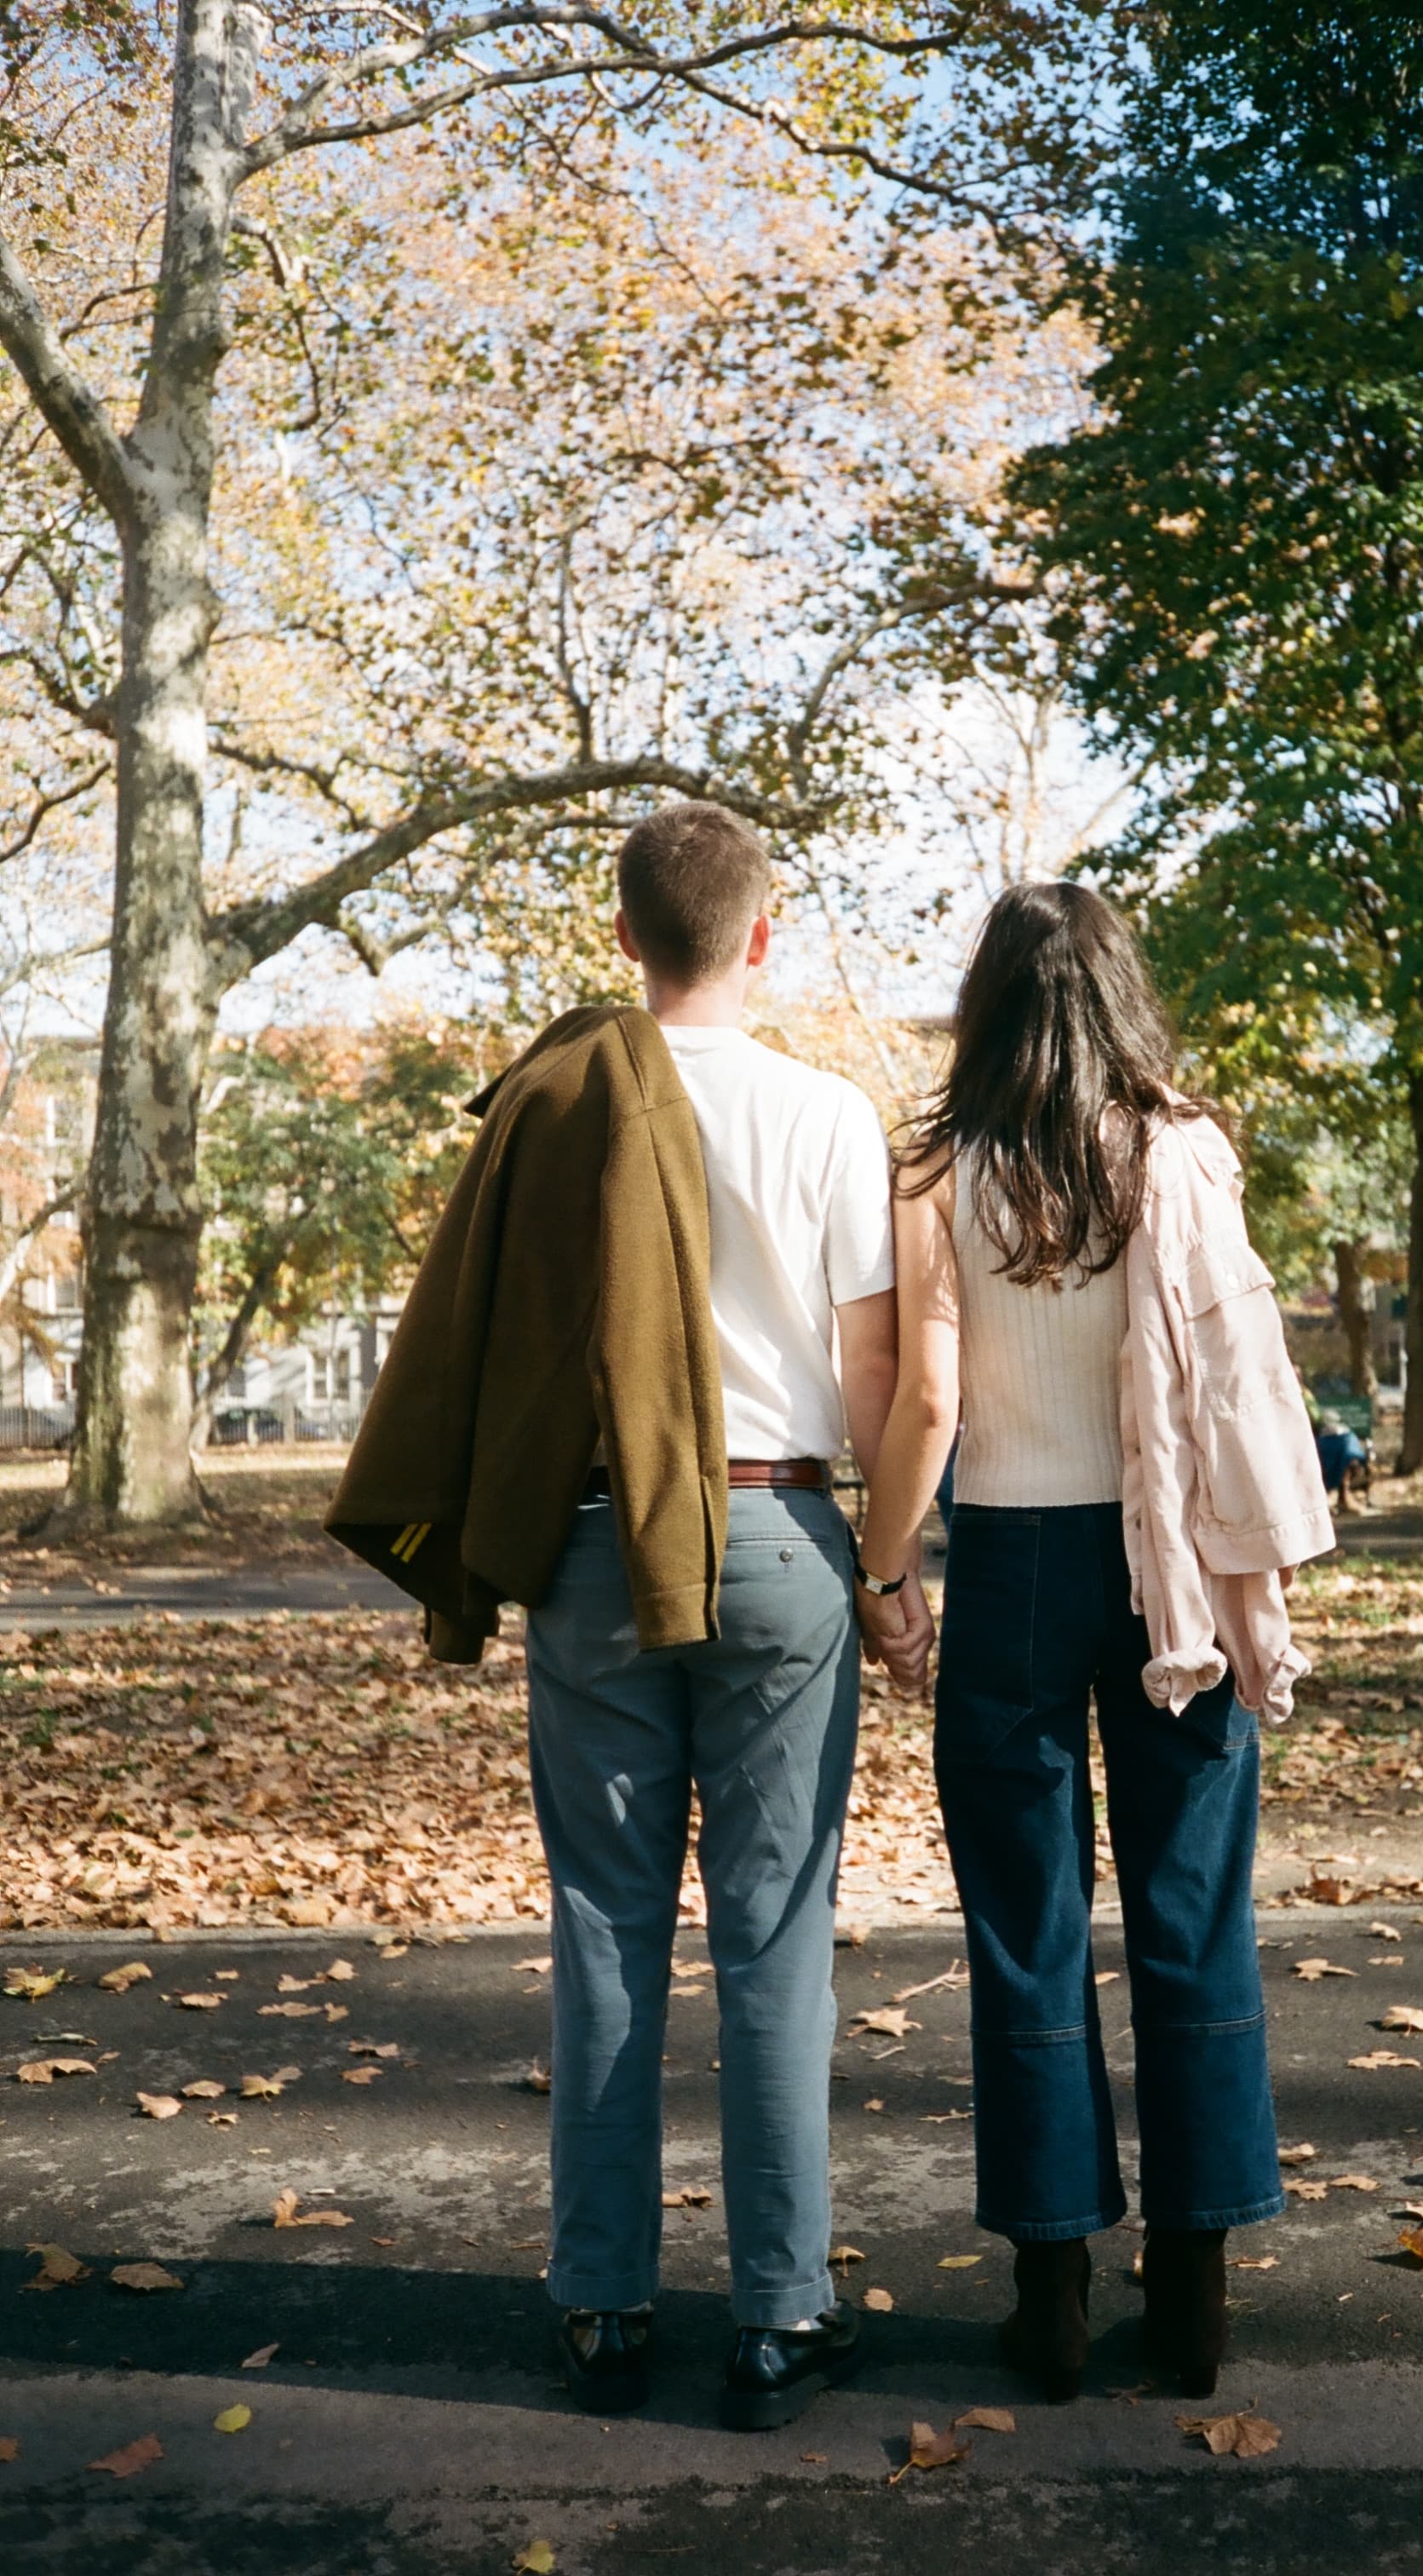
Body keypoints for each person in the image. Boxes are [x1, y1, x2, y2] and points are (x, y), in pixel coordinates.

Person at [854, 882, 1334, 2404]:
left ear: (987, 1003)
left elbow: (927, 1401)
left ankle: (1049, 2297)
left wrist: (886, 1571)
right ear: (1122, 994)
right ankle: (1192, 2296)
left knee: (1024, 1924)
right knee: (1191, 1908)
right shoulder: (1186, 1153)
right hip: (1168, 1572)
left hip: (1007, 1563)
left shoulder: (938, 1167)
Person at [518, 803, 926, 2429]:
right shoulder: (830, 1115)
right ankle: (780, 2317)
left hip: (596, 1540)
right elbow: (881, 1374)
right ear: (761, 936)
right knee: (772, 1934)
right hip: (778, 1532)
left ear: (624, 936)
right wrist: (896, 1573)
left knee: (603, 1926)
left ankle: (603, 2313)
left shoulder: (556, 1111)